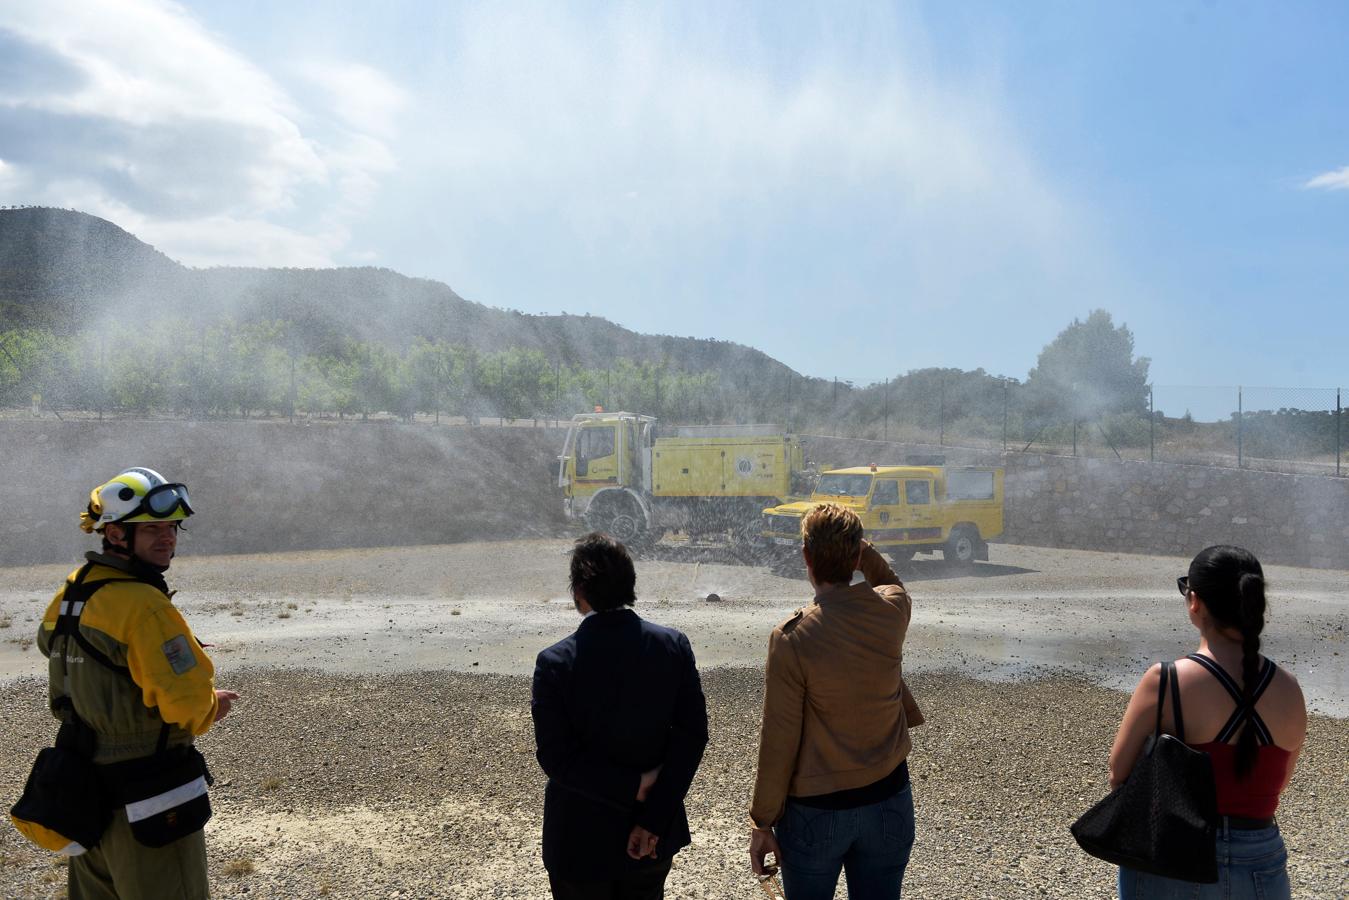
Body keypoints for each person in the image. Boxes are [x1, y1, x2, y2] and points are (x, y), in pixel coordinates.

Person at [37, 467, 238, 899]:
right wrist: (211, 705)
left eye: (171, 528)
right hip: (148, 794)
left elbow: (48, 643)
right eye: (151, 529)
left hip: (83, 793)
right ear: (114, 535)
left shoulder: (73, 591)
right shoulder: (145, 606)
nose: (167, 538)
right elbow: (185, 704)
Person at [1109, 545, 1307, 900]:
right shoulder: (1289, 688)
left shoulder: (1165, 681)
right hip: (1261, 857)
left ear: (1194, 601)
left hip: (1174, 855)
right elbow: (1276, 785)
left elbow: (1118, 773)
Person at [748, 502, 924, 899]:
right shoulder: (892, 611)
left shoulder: (793, 637)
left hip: (817, 810)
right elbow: (891, 581)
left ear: (806, 557)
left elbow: (779, 737)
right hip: (890, 799)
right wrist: (865, 551)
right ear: (858, 555)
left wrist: (762, 821)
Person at [531, 532, 709, 899]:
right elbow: (692, 737)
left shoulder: (555, 663)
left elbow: (556, 758)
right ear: (631, 584)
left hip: (578, 837)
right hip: (653, 833)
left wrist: (633, 784)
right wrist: (653, 819)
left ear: (579, 591)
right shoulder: (673, 646)